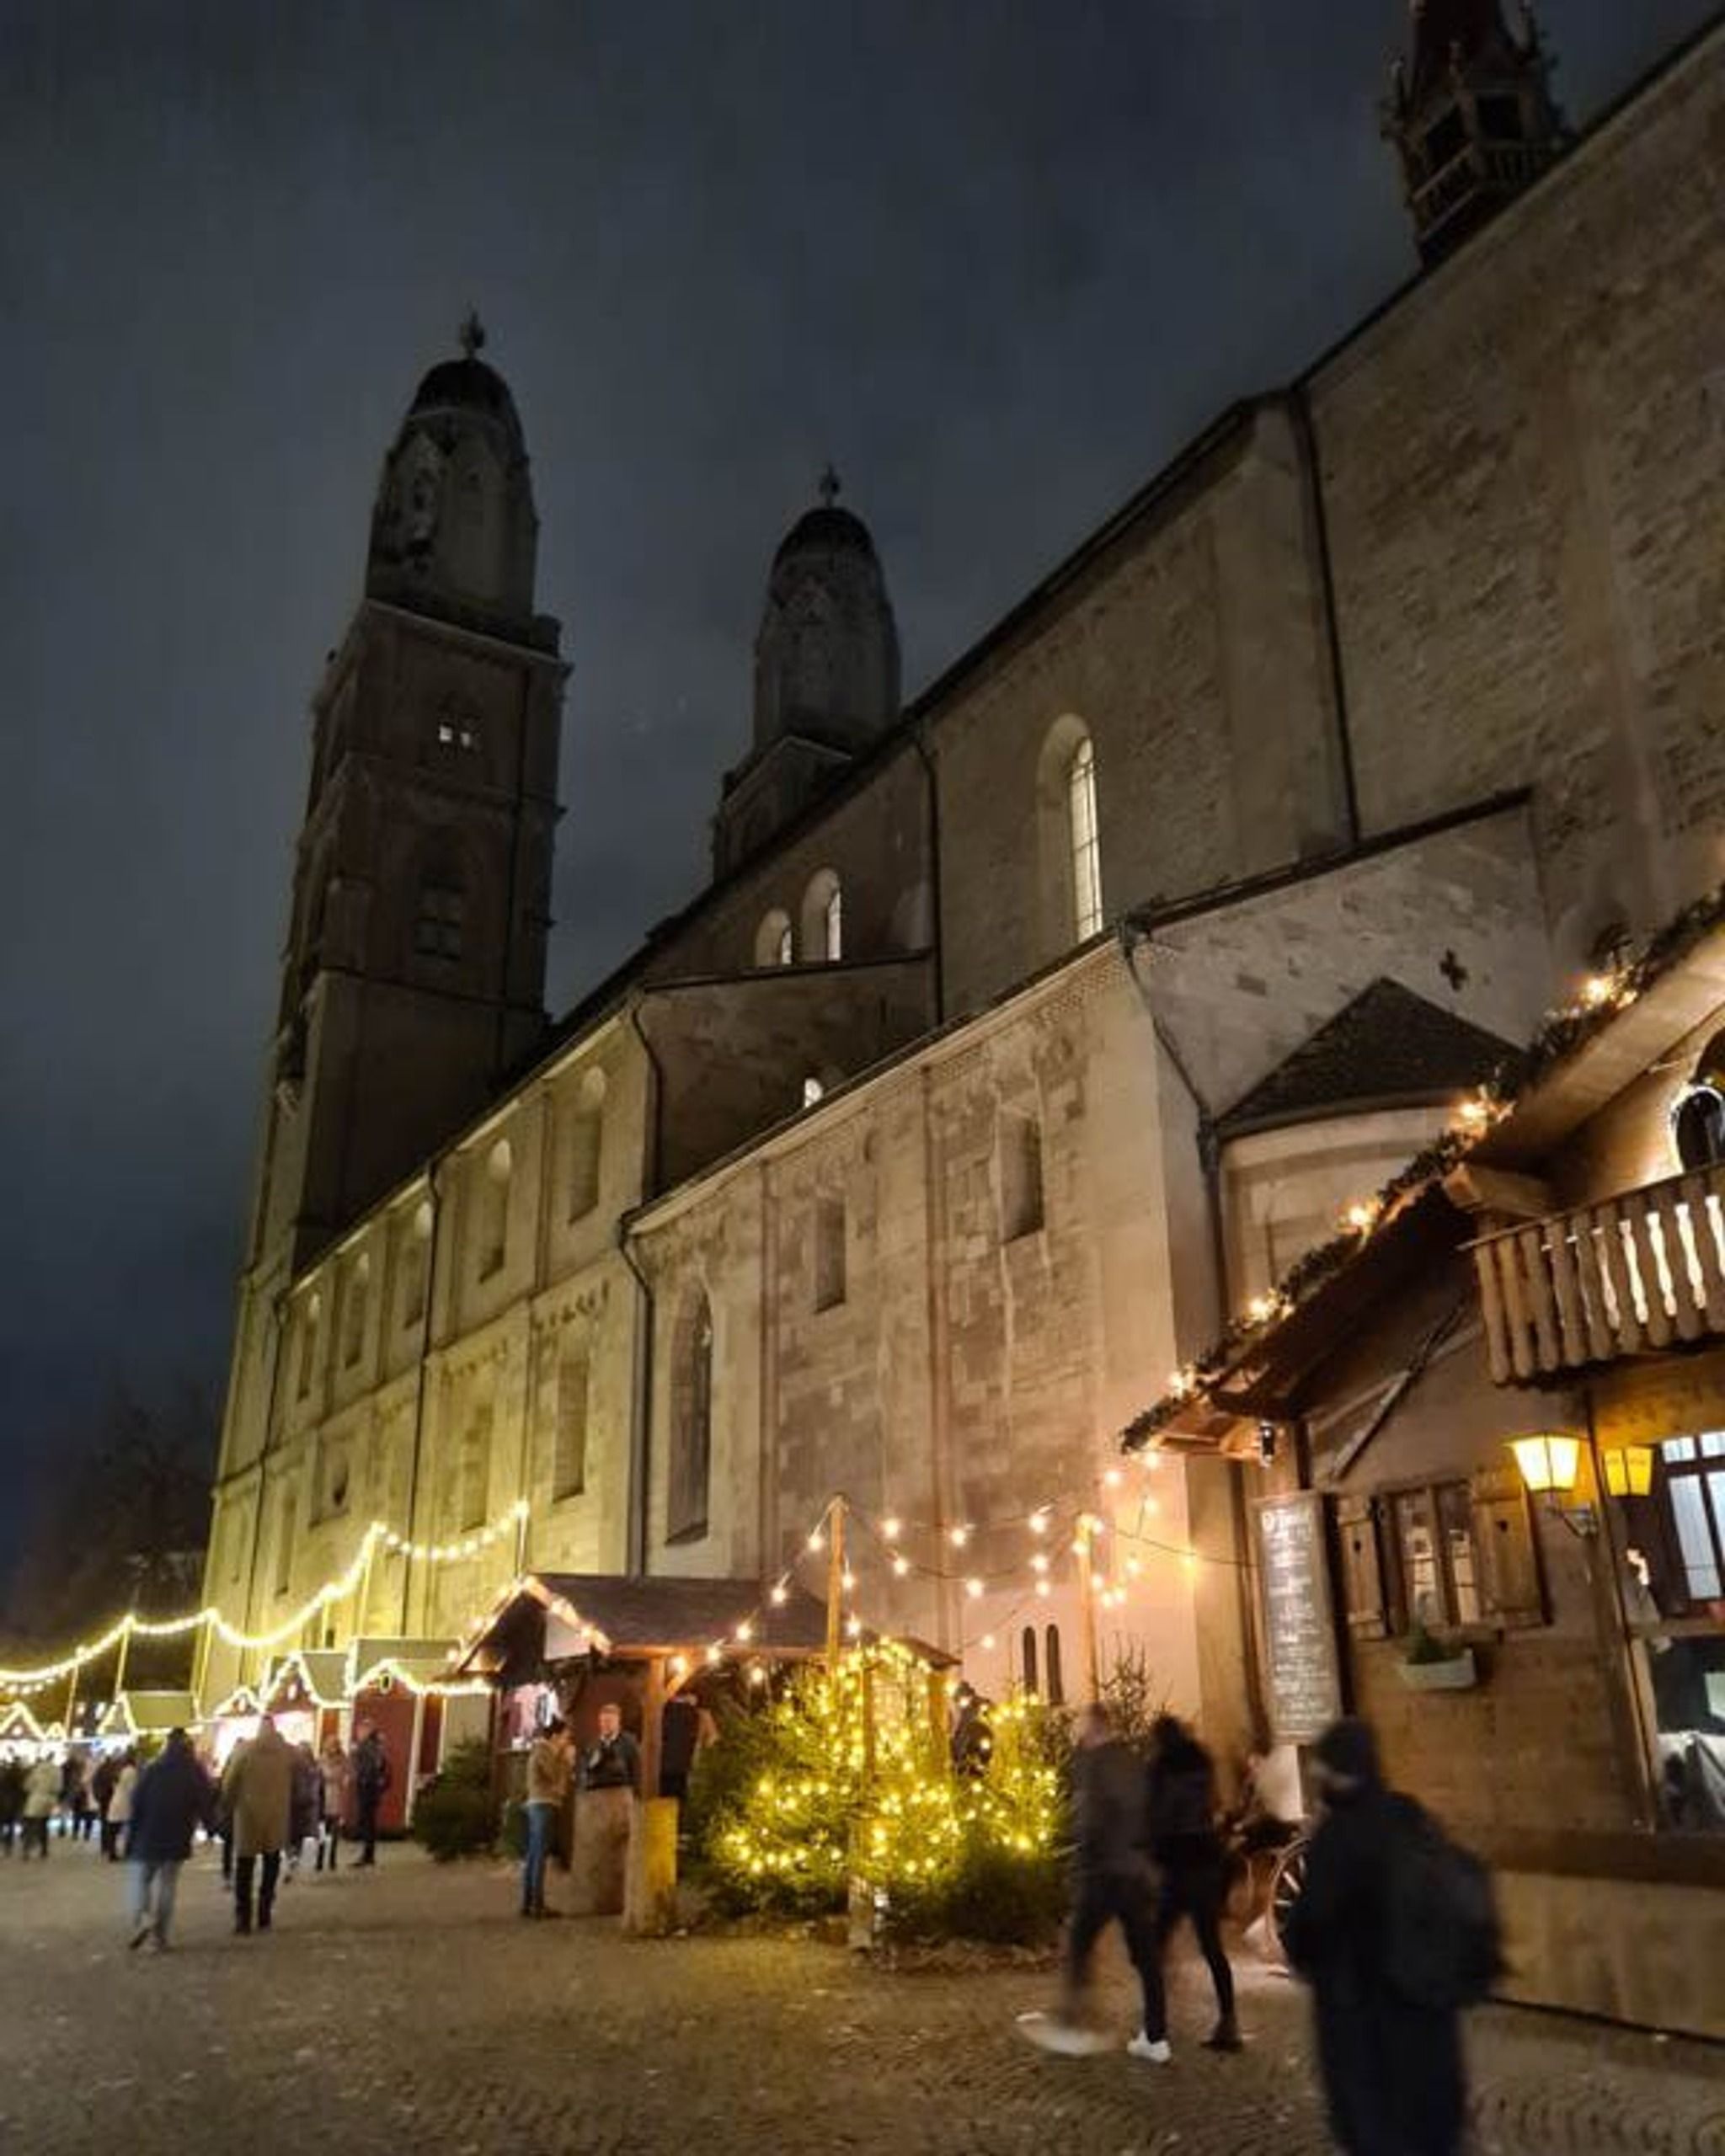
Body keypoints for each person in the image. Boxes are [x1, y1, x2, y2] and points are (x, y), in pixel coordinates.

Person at [1284, 1718, 1472, 2156]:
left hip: (1364, 2020)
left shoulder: (1338, 1837)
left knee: (1378, 2129)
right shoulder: (1412, 1817)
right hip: (1427, 2014)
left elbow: (1304, 1933)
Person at [1020, 1701, 1165, 2059]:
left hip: (1103, 1872)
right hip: (1133, 1870)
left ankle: (1072, 2023)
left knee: (1080, 1944)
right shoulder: (1131, 1761)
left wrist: (1081, 1862)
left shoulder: (1096, 1765)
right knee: (1146, 1955)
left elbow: (1090, 1820)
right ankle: (1156, 2036)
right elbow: (1149, 1812)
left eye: (1083, 1728)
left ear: (1094, 1728)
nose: (1080, 1735)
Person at [1145, 1714, 1239, 2052]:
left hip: (1177, 1865)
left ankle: (1155, 2026)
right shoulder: (1202, 1760)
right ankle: (1228, 2020)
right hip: (1205, 1861)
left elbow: (1156, 1816)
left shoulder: (1160, 1767)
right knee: (1212, 1947)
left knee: (1154, 1945)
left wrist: (1150, 1851)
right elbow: (1214, 1804)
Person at [126, 1728, 214, 1953]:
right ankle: (160, 1937)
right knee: (168, 1885)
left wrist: (131, 1835)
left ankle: (144, 1918)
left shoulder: (153, 1768)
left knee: (142, 1880)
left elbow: (137, 1802)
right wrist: (211, 1829)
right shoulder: (194, 1770)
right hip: (178, 1833)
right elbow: (205, 1802)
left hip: (149, 1833)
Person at [222, 1716, 294, 1935]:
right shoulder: (286, 1753)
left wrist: (227, 1806)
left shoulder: (244, 1750)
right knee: (271, 1867)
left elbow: (230, 1782)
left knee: (245, 1868)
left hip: (248, 1815)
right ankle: (264, 1915)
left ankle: (243, 1919)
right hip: (276, 1816)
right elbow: (303, 1774)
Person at [521, 1716, 572, 1919]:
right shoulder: (544, 1751)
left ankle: (528, 1903)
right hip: (543, 1804)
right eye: (565, 1737)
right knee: (539, 1856)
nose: (567, 1742)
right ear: (555, 1737)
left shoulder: (541, 1750)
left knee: (534, 1855)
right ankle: (537, 1905)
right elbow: (553, 1774)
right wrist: (565, 1759)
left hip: (539, 1804)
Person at [350, 1723, 391, 1866]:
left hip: (367, 1787)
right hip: (374, 1789)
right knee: (370, 1821)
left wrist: (355, 1756)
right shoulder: (378, 1746)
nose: (357, 1734)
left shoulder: (365, 1747)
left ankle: (367, 1854)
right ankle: (369, 1854)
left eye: (360, 1731)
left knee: (367, 1821)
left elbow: (367, 1767)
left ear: (366, 1732)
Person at [579, 1702, 641, 1794]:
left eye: (609, 1721)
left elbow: (636, 1771)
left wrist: (635, 1793)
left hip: (621, 1792)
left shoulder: (629, 1742)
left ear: (618, 1722)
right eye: (602, 1721)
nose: (605, 1725)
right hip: (598, 1794)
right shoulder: (592, 1745)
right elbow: (584, 1771)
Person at [316, 1736, 350, 1873]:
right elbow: (317, 1776)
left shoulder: (343, 1760)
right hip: (324, 1798)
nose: (333, 1748)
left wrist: (344, 1781)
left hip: (337, 1797)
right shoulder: (321, 1759)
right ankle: (319, 1859)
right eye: (330, 1745)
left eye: (335, 1745)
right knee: (322, 1831)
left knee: (335, 1832)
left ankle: (332, 1859)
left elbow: (347, 1776)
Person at [287, 1742, 321, 1876]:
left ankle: (294, 1856)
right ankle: (293, 1856)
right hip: (297, 1803)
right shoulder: (297, 1767)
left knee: (297, 1832)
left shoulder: (312, 1769)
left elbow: (315, 1787)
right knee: (294, 1832)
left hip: (301, 1803)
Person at [23, 1753, 60, 1858]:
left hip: (35, 1800)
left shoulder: (36, 1770)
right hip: (48, 1801)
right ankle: (44, 1850)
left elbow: (27, 1786)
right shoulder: (56, 1771)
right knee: (43, 1826)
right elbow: (58, 1788)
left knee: (30, 1826)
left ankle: (27, 1849)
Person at [106, 1751, 140, 1864]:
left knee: (113, 1830)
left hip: (115, 1801)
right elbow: (132, 1789)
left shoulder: (119, 1770)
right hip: (124, 1803)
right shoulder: (131, 1771)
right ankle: (127, 1852)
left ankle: (112, 1853)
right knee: (127, 1830)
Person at [93, 1752, 120, 1857]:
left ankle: (104, 1846)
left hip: (103, 1799)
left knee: (104, 1823)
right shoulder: (112, 1771)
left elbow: (95, 1784)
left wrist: (97, 1797)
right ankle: (109, 1846)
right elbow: (116, 1783)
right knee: (110, 1823)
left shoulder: (100, 1770)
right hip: (110, 1799)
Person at [0, 1753, 26, 1854]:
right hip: (13, 1801)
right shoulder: (20, 1774)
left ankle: (5, 1841)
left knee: (3, 1823)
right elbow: (22, 1788)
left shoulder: (6, 1773)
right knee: (11, 1824)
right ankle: (8, 1844)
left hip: (4, 1800)